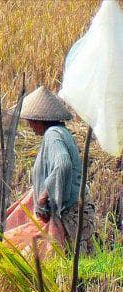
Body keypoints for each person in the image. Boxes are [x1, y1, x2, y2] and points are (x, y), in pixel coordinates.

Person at [17, 86, 95, 252]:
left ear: (39, 119)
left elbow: (63, 164)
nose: (29, 125)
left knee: (66, 264)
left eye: (30, 120)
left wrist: (44, 197)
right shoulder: (59, 132)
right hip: (76, 212)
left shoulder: (53, 135)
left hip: (71, 215)